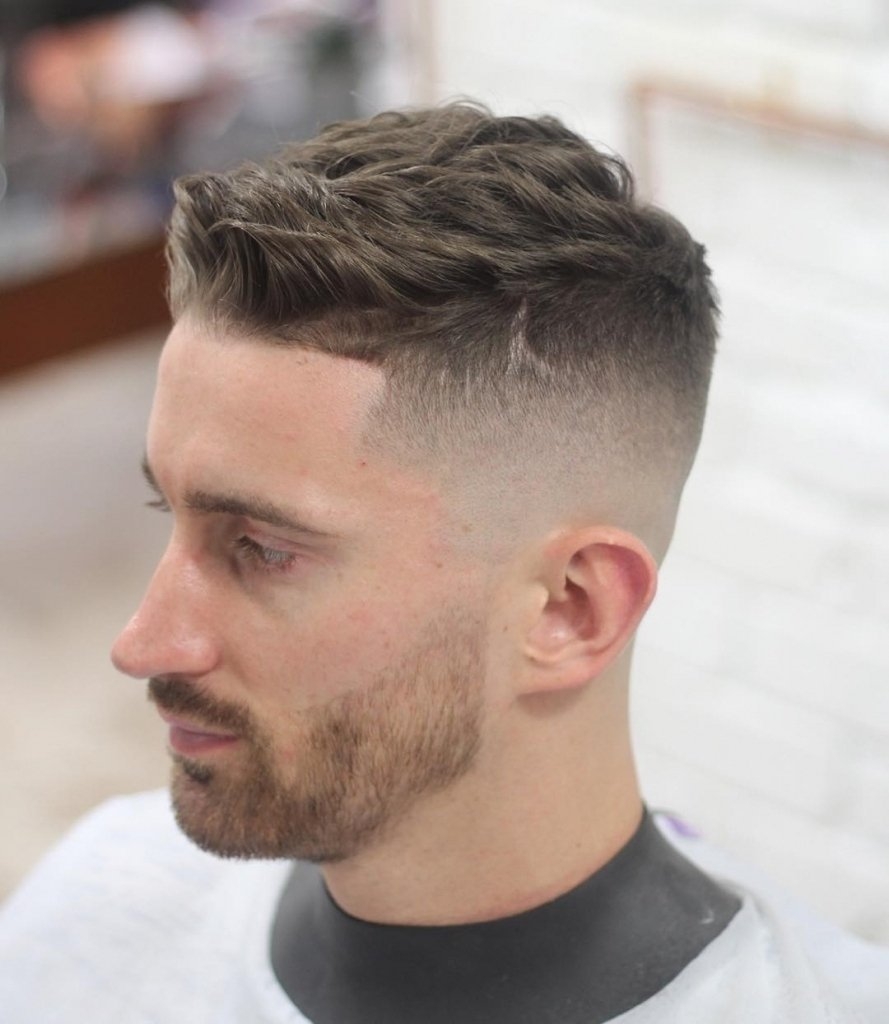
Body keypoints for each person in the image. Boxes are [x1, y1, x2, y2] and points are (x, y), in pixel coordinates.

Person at [1, 102, 887, 1024]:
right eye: (169, 512)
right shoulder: (98, 905)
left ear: (569, 610)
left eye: (262, 549)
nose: (143, 643)